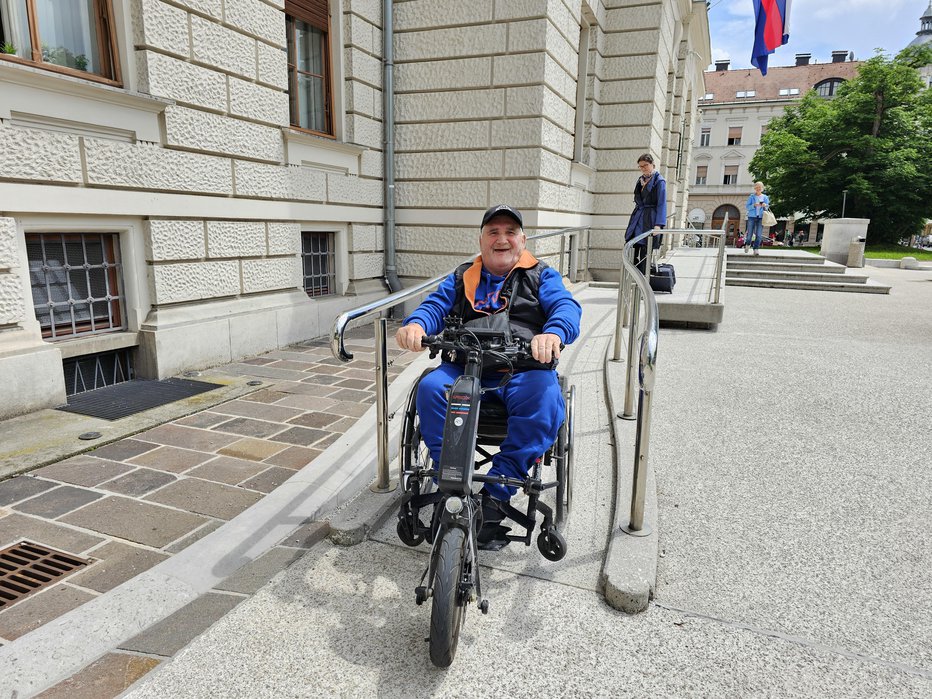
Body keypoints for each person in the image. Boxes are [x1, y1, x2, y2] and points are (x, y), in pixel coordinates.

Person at [395, 204, 582, 547]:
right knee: (431, 386)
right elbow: (435, 306)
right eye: (493, 232)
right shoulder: (463, 275)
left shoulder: (541, 275)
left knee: (545, 399)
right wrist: (417, 324)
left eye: (510, 232)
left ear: (523, 240)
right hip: (466, 365)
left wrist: (553, 333)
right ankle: (448, 479)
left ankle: (497, 492)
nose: (502, 239)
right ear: (481, 241)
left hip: (522, 369)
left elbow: (565, 307)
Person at [623, 154, 666, 274]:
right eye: (640, 166)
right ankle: (631, 280)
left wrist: (658, 225)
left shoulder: (659, 181)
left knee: (645, 252)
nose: (643, 168)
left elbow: (661, 203)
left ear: (652, 164)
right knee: (631, 247)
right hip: (638, 218)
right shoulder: (641, 180)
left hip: (650, 219)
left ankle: (643, 285)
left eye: (645, 165)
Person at [744, 181, 770, 256]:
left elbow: (767, 208)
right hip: (751, 217)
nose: (758, 188)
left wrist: (765, 205)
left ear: (762, 188)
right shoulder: (751, 197)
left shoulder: (765, 197)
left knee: (758, 235)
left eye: (760, 187)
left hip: (761, 217)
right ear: (755, 188)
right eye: (757, 187)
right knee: (749, 235)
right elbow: (747, 207)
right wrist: (754, 205)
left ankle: (756, 249)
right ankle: (748, 244)